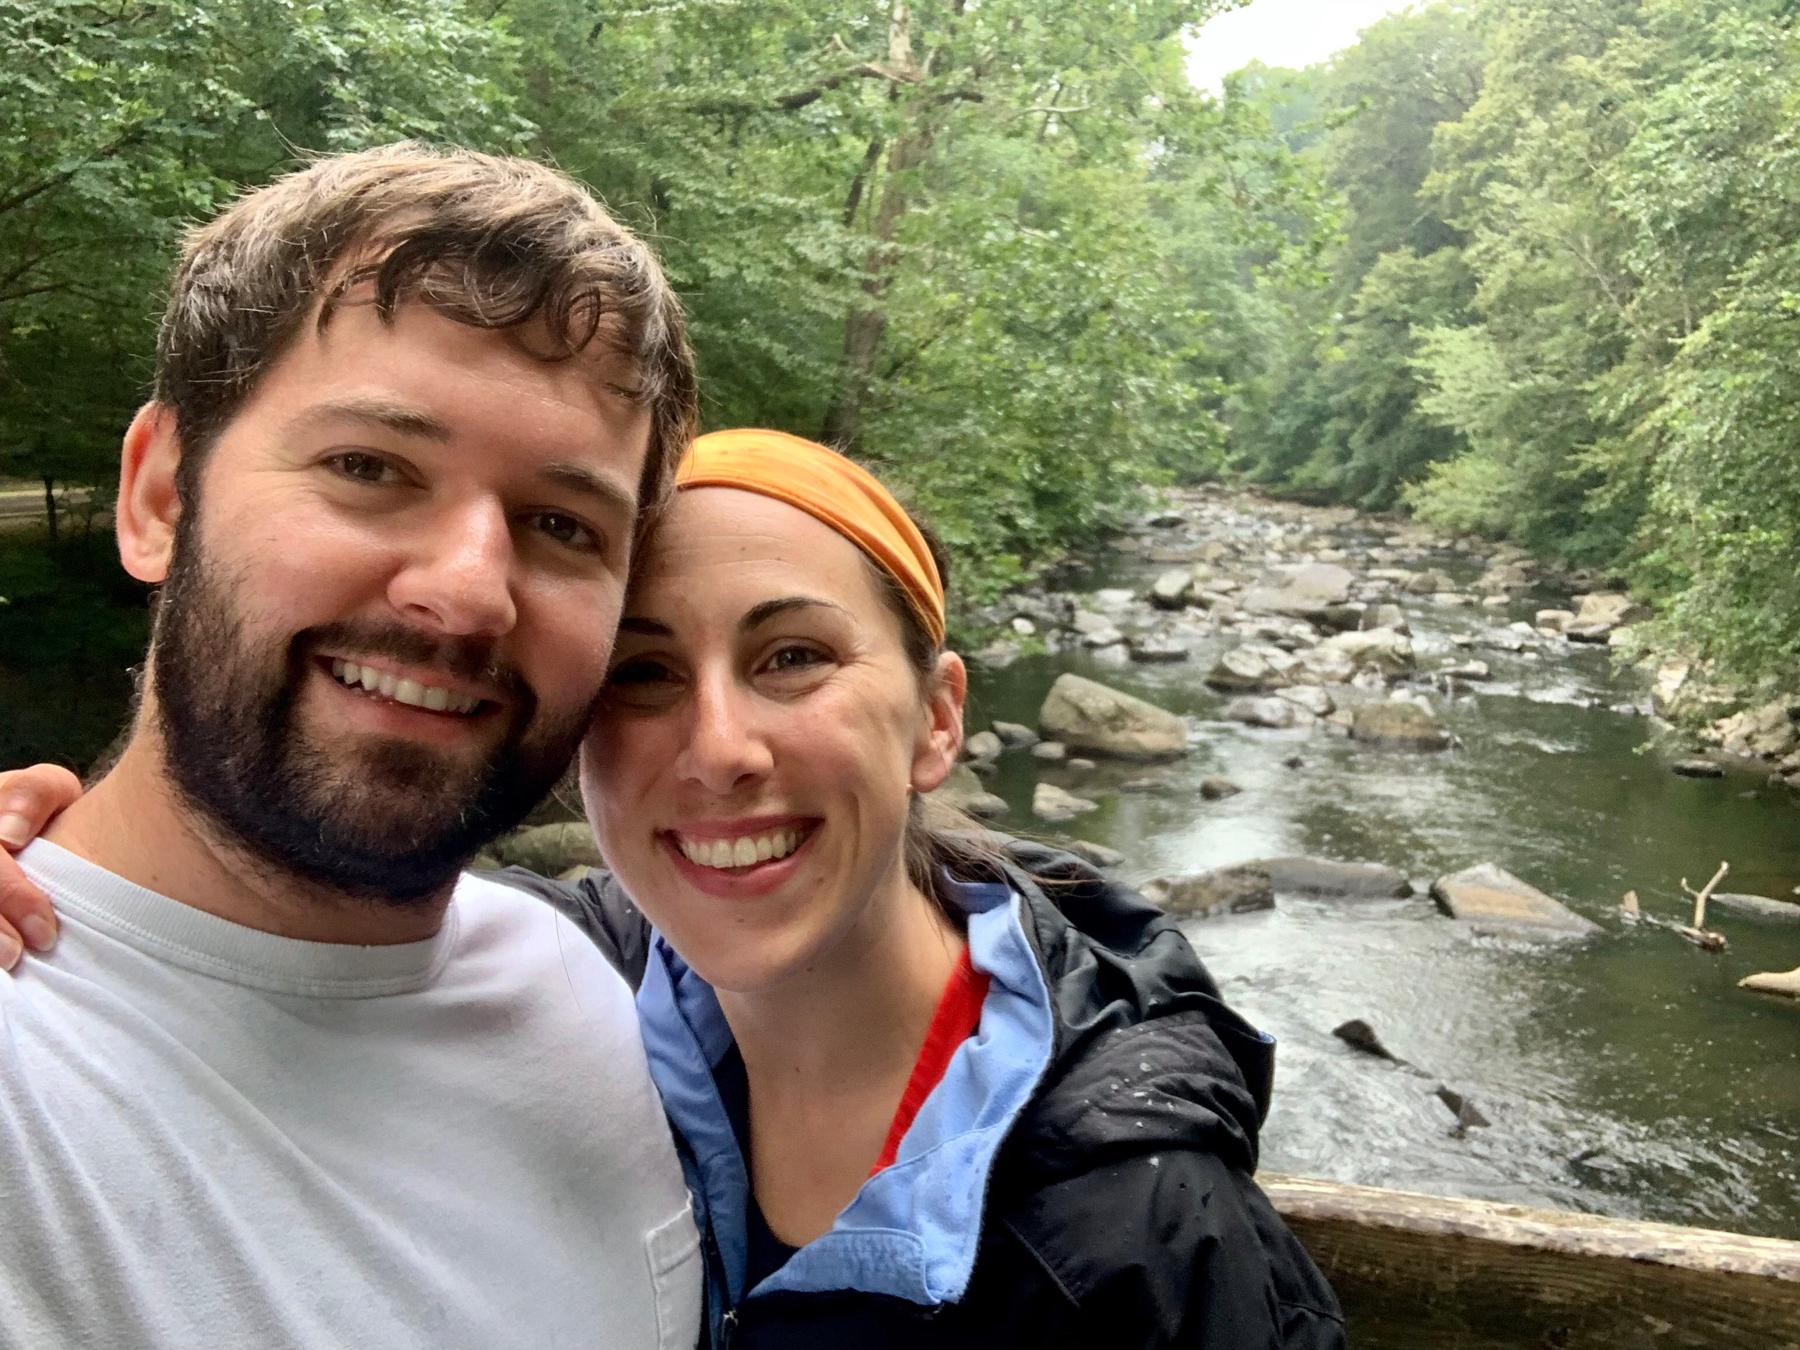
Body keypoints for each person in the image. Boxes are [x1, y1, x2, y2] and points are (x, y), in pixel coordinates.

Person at [1, 427, 1346, 1347]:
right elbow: (274, 906)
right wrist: (64, 847)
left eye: (794, 657)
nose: (717, 748)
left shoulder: (1143, 1245)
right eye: (642, 673)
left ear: (938, 720)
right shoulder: (581, 971)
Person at [0, 143, 706, 1348]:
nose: (471, 594)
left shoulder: (615, 984)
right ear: (160, 497)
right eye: (371, 468)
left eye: (560, 523)